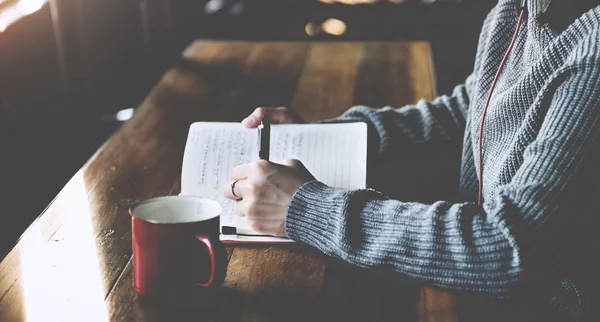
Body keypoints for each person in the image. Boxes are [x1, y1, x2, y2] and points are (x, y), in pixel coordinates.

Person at [221, 0, 600, 321]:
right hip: (472, 285)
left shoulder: (592, 52)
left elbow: (506, 246)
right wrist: (329, 136)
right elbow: (466, 112)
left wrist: (305, 209)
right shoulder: (517, 9)